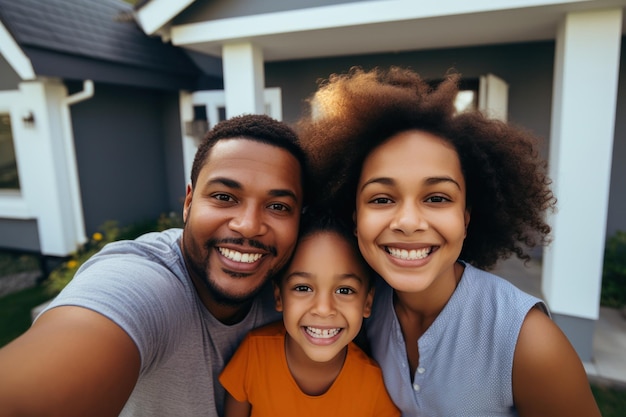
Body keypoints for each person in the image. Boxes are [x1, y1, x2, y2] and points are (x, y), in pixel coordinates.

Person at [296, 66, 602, 416]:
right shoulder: (361, 308)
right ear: (354, 218)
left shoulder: (528, 344)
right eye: (381, 199)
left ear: (467, 218)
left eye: (437, 198)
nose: (408, 222)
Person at [0, 114, 308, 417]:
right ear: (188, 204)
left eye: (278, 206)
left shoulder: (301, 285)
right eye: (224, 196)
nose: (248, 225)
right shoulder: (145, 281)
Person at [219, 210, 401, 417]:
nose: (323, 309)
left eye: (344, 290)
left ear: (367, 302)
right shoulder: (254, 355)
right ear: (279, 297)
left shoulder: (373, 385)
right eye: (303, 288)